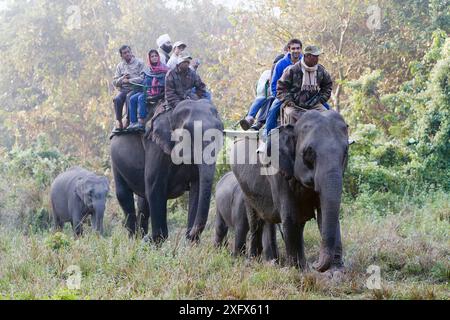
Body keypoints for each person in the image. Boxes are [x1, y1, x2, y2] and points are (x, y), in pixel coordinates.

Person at [257, 45, 332, 152]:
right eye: (315, 56)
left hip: (314, 103)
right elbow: (281, 88)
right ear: (307, 56)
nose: (317, 58)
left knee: (328, 116)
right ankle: (269, 139)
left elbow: (328, 85)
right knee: (290, 116)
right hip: (294, 104)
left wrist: (320, 99)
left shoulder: (321, 70)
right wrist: (289, 101)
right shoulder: (292, 70)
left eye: (318, 56)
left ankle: (334, 141)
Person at [262, 39, 303, 138]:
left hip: (303, 94)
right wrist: (280, 97)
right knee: (273, 110)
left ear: (301, 49)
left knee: (326, 107)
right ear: (289, 49)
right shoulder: (281, 64)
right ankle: (269, 136)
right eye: (293, 48)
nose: (296, 50)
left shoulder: (306, 62)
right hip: (284, 95)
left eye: (298, 48)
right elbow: (274, 85)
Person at [128, 49, 169, 131]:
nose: (154, 58)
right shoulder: (148, 69)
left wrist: (154, 87)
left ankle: (142, 121)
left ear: (158, 57)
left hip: (158, 92)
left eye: (156, 56)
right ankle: (133, 122)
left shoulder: (164, 69)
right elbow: (143, 80)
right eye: (152, 56)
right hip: (147, 90)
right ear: (149, 58)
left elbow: (165, 82)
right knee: (132, 98)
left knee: (141, 98)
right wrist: (131, 81)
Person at [112, 45, 145, 132]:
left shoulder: (139, 63)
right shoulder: (120, 66)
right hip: (124, 89)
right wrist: (122, 79)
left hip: (136, 88)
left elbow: (142, 78)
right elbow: (115, 82)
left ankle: (128, 119)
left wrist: (130, 80)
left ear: (131, 52)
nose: (127, 54)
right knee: (117, 99)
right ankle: (118, 121)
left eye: (128, 52)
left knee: (129, 97)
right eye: (124, 53)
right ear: (121, 56)